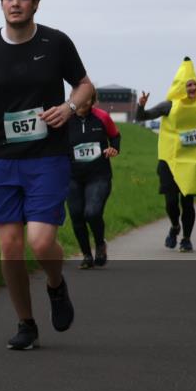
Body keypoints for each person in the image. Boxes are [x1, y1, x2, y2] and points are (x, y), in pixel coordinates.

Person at [0, 0, 93, 351]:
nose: (15, 3)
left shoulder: (56, 42)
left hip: (47, 156)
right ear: (1, 3)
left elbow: (85, 86)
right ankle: (26, 322)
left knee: (41, 240)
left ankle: (55, 285)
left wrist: (68, 107)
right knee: (11, 248)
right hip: (2, 157)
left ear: (35, 3)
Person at [136, 58, 196, 253]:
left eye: (194, 84)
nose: (192, 88)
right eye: (188, 84)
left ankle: (186, 238)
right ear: (180, 87)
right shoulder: (168, 105)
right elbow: (142, 117)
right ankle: (175, 225)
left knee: (188, 202)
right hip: (168, 159)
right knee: (170, 201)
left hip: (190, 160)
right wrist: (141, 106)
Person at [66, 89, 120, 268]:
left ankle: (99, 244)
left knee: (92, 212)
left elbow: (115, 136)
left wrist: (114, 149)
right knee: (76, 215)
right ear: (72, 98)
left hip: (98, 175)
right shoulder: (65, 118)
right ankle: (87, 255)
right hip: (72, 176)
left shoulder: (102, 117)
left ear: (93, 100)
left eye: (88, 98)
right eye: (79, 97)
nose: (83, 102)